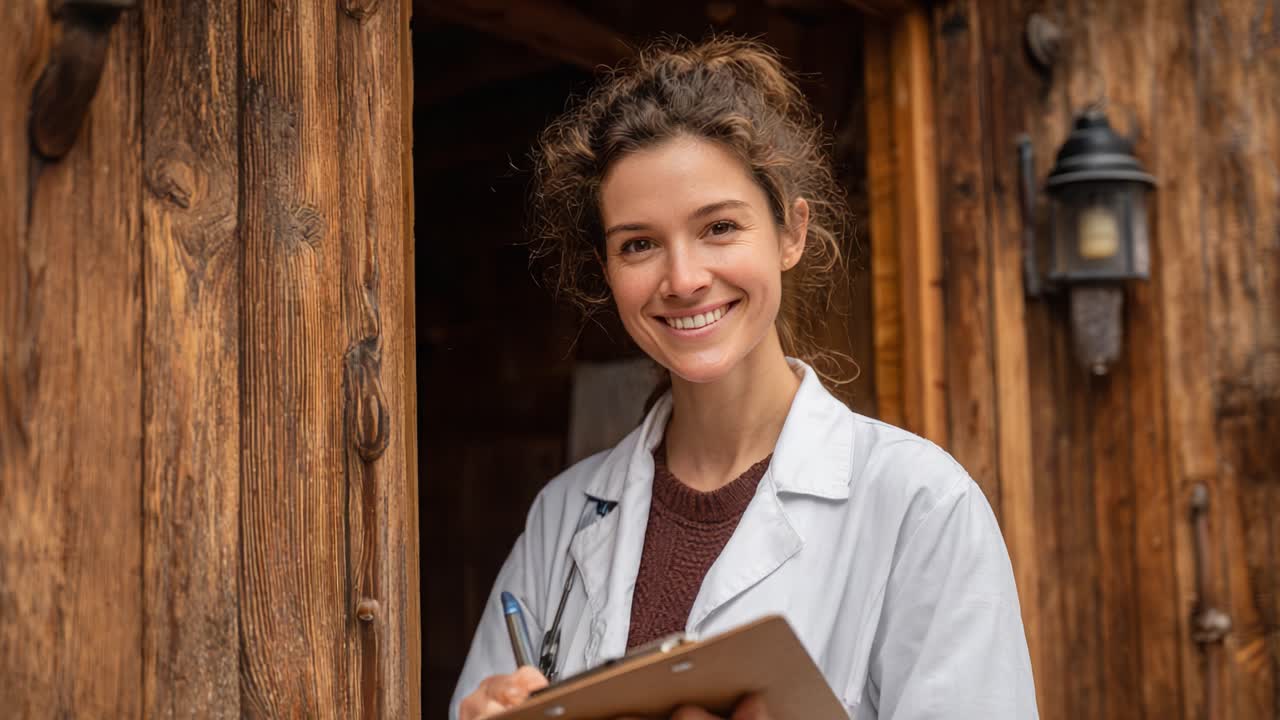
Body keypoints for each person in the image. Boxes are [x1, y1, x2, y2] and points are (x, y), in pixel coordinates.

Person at [452, 36, 1037, 720]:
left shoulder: (921, 507)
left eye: (719, 227)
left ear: (791, 233)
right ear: (605, 270)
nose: (684, 278)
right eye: (638, 244)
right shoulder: (563, 517)